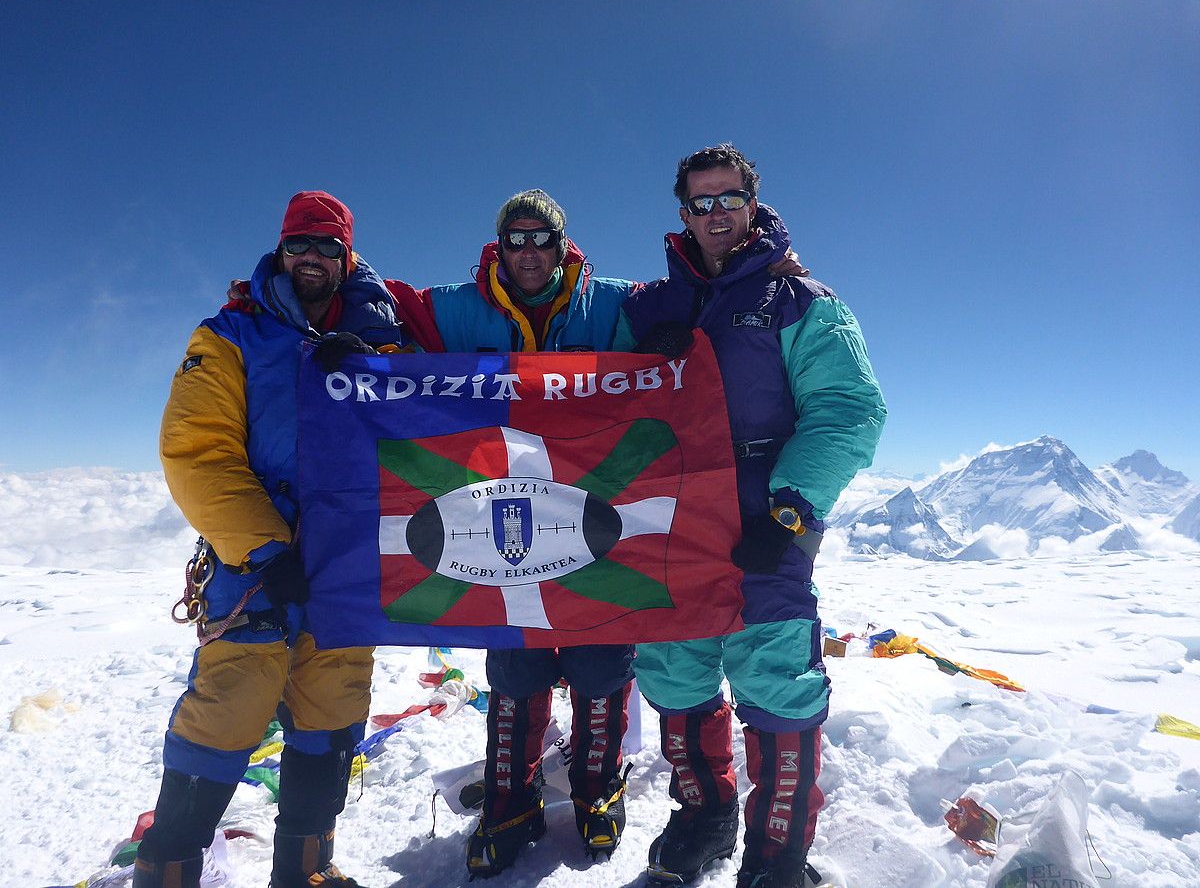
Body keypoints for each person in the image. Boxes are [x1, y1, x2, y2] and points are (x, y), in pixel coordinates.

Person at [618, 145, 887, 888]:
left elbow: (849, 410)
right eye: (699, 204)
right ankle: (706, 812)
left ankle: (776, 856)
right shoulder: (645, 307)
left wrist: (793, 508)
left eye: (727, 199)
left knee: (778, 683)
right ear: (683, 213)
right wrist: (643, 357)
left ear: (752, 201)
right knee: (673, 673)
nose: (714, 215)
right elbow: (585, 399)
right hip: (668, 525)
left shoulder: (801, 300)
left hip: (765, 524)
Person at [136, 191, 416, 888]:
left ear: (347, 256)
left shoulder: (389, 339)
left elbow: (432, 429)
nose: (312, 258)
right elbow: (197, 452)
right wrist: (266, 548)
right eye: (300, 245)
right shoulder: (231, 333)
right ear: (281, 251)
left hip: (349, 560)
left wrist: (378, 369)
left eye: (327, 246)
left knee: (334, 711)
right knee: (225, 715)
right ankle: (167, 872)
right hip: (255, 565)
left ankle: (306, 870)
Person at [423, 190, 638, 878]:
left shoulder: (608, 304)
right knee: (516, 665)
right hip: (503, 518)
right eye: (514, 239)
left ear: (561, 242)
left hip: (595, 510)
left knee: (601, 661)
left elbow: (687, 301)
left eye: (540, 238)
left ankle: (597, 791)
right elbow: (389, 306)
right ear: (498, 246)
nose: (528, 252)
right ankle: (510, 803)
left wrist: (667, 333)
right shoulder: (464, 308)